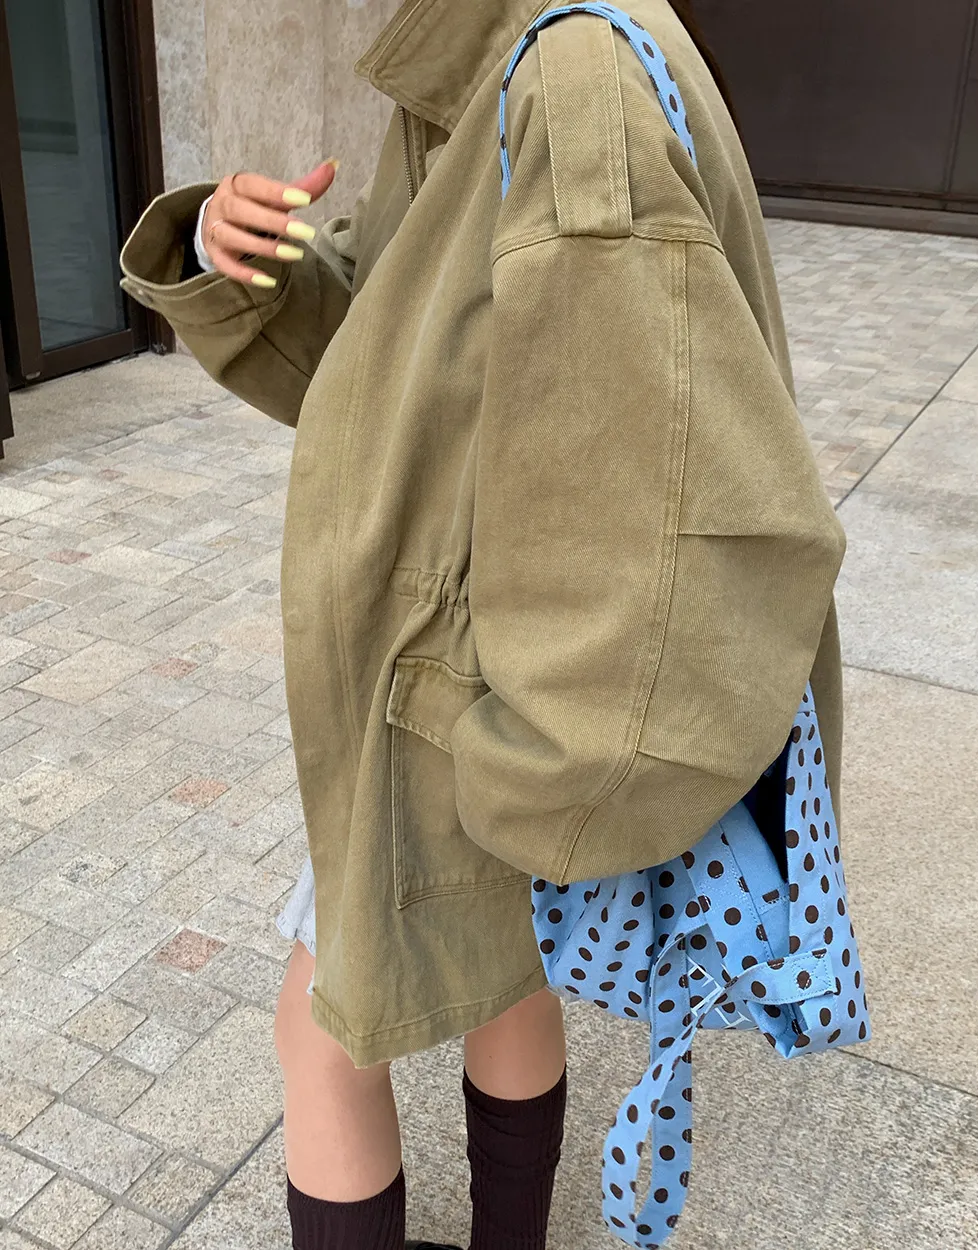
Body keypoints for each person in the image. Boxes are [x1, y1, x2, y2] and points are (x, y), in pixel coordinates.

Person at [120, 1, 845, 1247]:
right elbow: (399, 351)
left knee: (324, 1025)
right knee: (507, 978)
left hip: (474, 678)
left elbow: (666, 482)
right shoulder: (512, 52)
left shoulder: (569, 71)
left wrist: (539, 777)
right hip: (487, 657)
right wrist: (226, 249)